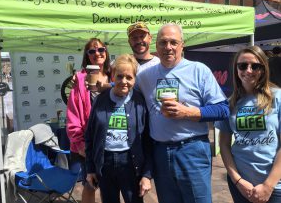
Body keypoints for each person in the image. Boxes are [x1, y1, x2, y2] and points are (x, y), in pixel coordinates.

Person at [135, 23, 229, 203]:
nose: (168, 47)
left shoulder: (198, 70)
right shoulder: (145, 75)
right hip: (160, 152)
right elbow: (124, 86)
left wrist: (188, 112)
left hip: (192, 149)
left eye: (173, 42)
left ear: (182, 45)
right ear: (156, 45)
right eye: (163, 42)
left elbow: (222, 108)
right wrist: (100, 84)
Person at [215, 46, 281, 203]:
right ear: (236, 69)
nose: (248, 70)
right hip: (241, 186)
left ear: (263, 69)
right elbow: (223, 145)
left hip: (275, 186)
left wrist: (268, 185)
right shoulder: (229, 103)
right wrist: (237, 180)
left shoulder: (277, 97)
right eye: (243, 66)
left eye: (255, 66)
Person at [85, 54, 152, 203]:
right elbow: (89, 136)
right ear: (112, 76)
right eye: (119, 76)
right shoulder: (100, 100)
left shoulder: (140, 101)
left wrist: (147, 175)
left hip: (131, 163)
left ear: (135, 79)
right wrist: (90, 169)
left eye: (129, 77)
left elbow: (148, 141)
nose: (124, 82)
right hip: (105, 163)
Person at [66, 38, 111, 203]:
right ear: (87, 56)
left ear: (106, 52)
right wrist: (80, 145)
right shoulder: (79, 80)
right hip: (89, 143)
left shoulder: (114, 75)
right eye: (92, 51)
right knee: (90, 185)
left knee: (111, 185)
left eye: (101, 49)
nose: (97, 53)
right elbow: (73, 116)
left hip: (113, 140)